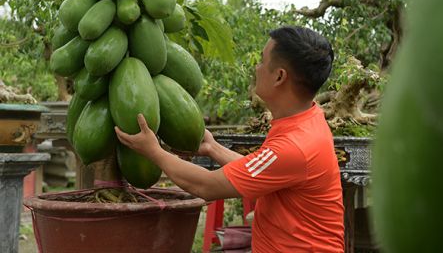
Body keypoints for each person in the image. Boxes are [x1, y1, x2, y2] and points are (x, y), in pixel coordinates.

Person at [115, 26, 345, 252]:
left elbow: (205, 185)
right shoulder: (305, 121)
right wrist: (213, 148)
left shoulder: (295, 146)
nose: (257, 67)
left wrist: (154, 152)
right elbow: (258, 169)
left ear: (279, 76)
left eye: (263, 61)